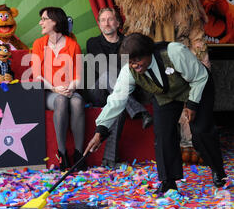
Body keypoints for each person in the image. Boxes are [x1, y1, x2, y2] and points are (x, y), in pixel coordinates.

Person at [85, 33, 227, 193]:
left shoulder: (174, 52)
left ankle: (218, 170)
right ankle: (168, 182)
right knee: (163, 134)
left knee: (200, 131)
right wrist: (100, 130)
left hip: (197, 86)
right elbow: (116, 99)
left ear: (148, 52)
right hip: (166, 95)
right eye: (131, 62)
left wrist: (192, 104)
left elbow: (200, 77)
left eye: (138, 60)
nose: (135, 66)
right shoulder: (129, 71)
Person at [85, 8, 152, 168]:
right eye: (103, 20)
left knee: (119, 102)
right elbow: (103, 68)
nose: (106, 23)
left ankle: (109, 160)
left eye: (110, 19)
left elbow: (132, 70)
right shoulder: (93, 42)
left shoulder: (129, 42)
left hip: (123, 90)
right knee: (107, 75)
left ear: (117, 22)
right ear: (99, 24)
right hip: (98, 89)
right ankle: (138, 110)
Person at [31, 7, 86, 171]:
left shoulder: (73, 45)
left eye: (44, 19)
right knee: (61, 101)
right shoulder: (38, 44)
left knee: (77, 102)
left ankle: (79, 154)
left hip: (69, 90)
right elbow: (37, 77)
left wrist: (70, 87)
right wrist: (56, 89)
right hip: (49, 92)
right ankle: (61, 153)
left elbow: (78, 78)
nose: (40, 23)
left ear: (54, 21)